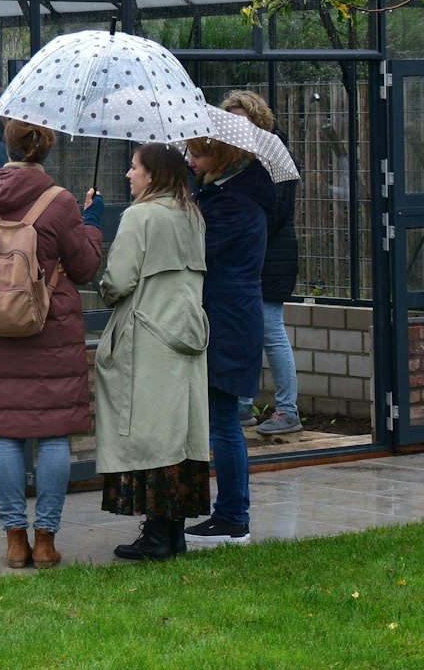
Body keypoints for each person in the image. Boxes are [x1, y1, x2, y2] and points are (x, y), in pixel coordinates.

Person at [0, 119, 103, 570]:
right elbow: (83, 268)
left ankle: (13, 540)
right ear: (46, 148)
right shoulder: (60, 201)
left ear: (6, 143)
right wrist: (93, 224)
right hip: (49, 328)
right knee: (51, 437)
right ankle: (44, 542)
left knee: (5, 435)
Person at [96, 143, 211, 562]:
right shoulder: (193, 216)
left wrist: (103, 281)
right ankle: (172, 532)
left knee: (146, 435)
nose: (129, 175)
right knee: (177, 435)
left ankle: (156, 537)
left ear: (154, 174)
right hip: (186, 337)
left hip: (147, 339)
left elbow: (118, 282)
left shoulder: (139, 216)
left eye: (134, 167)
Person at [185, 133, 275, 547]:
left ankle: (233, 516)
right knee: (223, 423)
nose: (192, 162)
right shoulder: (231, 197)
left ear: (220, 158)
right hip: (231, 317)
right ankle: (231, 513)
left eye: (199, 155)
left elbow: (194, 251)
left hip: (228, 321)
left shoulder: (231, 205)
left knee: (224, 423)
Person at [221, 90, 302, 436]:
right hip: (246, 256)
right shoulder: (234, 158)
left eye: (242, 119)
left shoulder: (272, 153)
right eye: (231, 119)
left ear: (257, 120)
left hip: (271, 258)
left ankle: (288, 409)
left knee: (270, 328)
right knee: (244, 329)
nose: (236, 125)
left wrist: (240, 226)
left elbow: (276, 210)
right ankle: (242, 407)